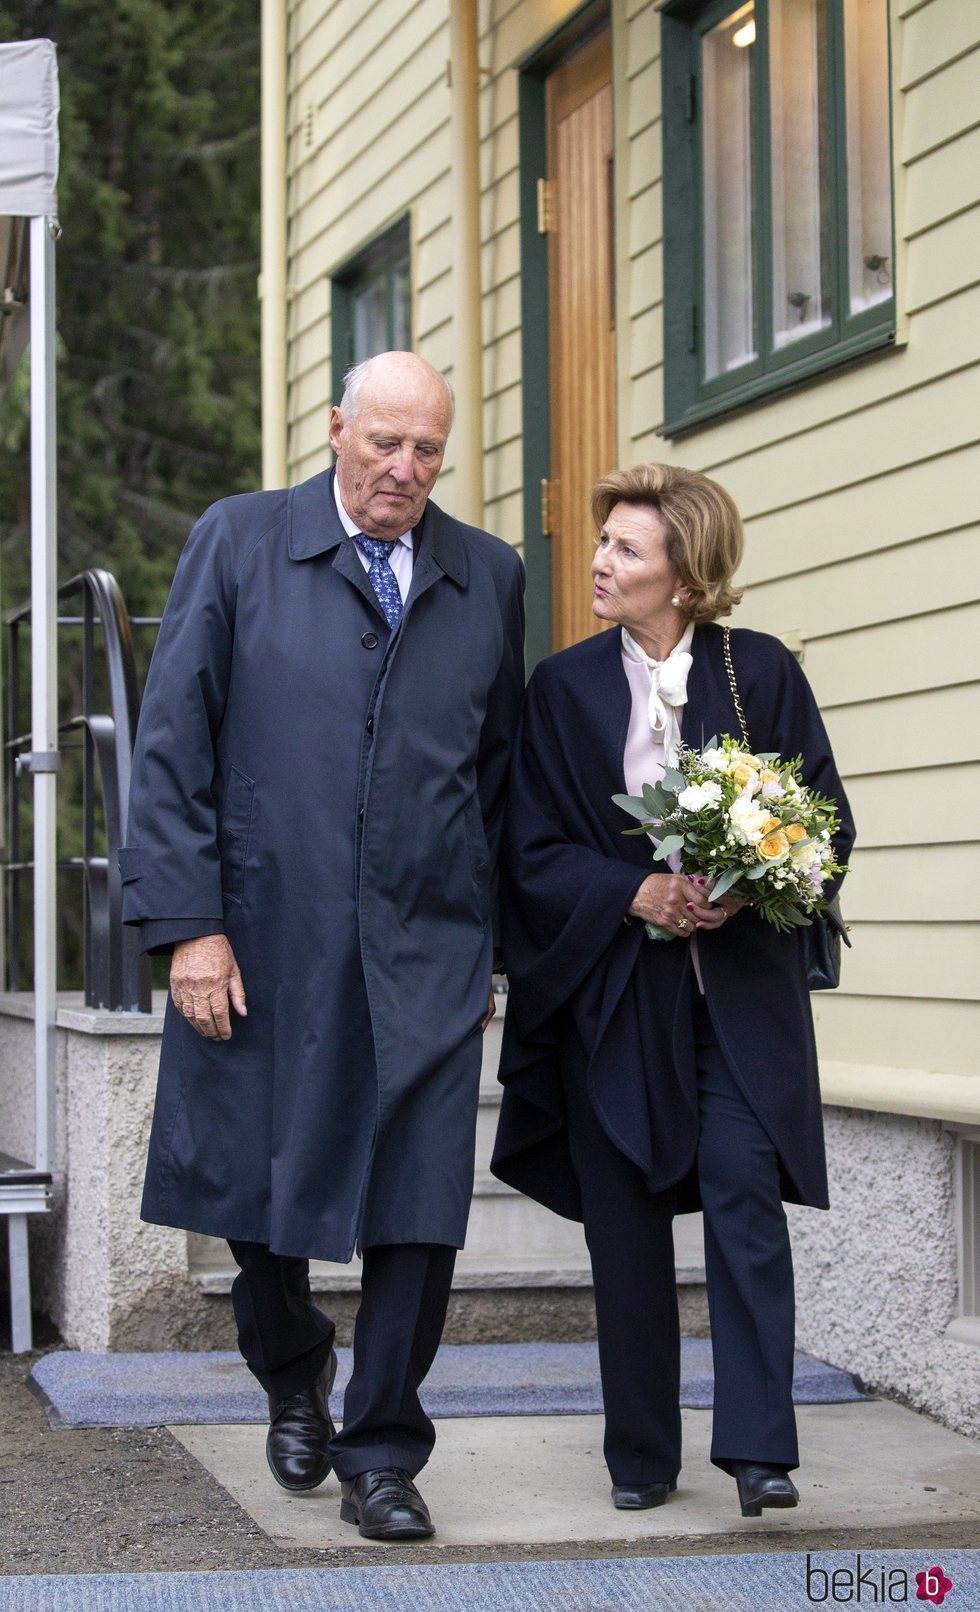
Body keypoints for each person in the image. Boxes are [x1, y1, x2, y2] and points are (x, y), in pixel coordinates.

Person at [121, 351, 525, 1541]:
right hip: (261, 929)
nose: (403, 470)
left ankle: (383, 1450)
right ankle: (293, 1365)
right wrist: (188, 925)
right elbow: (170, 741)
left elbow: (496, 774)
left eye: (427, 451)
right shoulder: (240, 540)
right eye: (383, 443)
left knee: (420, 1197)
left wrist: (493, 944)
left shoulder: (487, 573)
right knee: (255, 1173)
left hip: (431, 939)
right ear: (336, 427)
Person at [491, 462, 854, 1519]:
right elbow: (530, 850)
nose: (599, 563)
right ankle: (640, 1454)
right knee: (625, 1221)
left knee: (745, 1198)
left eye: (625, 550)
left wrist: (754, 882)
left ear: (684, 578)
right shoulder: (560, 689)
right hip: (612, 997)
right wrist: (636, 890)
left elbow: (821, 823)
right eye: (602, 543)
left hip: (736, 1002)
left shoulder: (762, 673)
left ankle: (757, 1448)